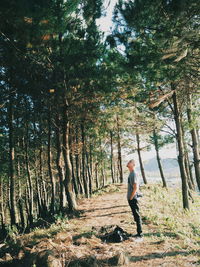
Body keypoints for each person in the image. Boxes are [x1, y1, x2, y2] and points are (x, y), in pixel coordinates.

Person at [127, 159, 143, 238]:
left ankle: (140, 234)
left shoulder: (134, 174)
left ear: (133, 164)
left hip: (133, 198)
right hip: (132, 198)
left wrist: (131, 197)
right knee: (135, 215)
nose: (127, 163)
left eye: (129, 162)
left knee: (137, 215)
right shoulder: (131, 173)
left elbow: (135, 187)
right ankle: (138, 232)